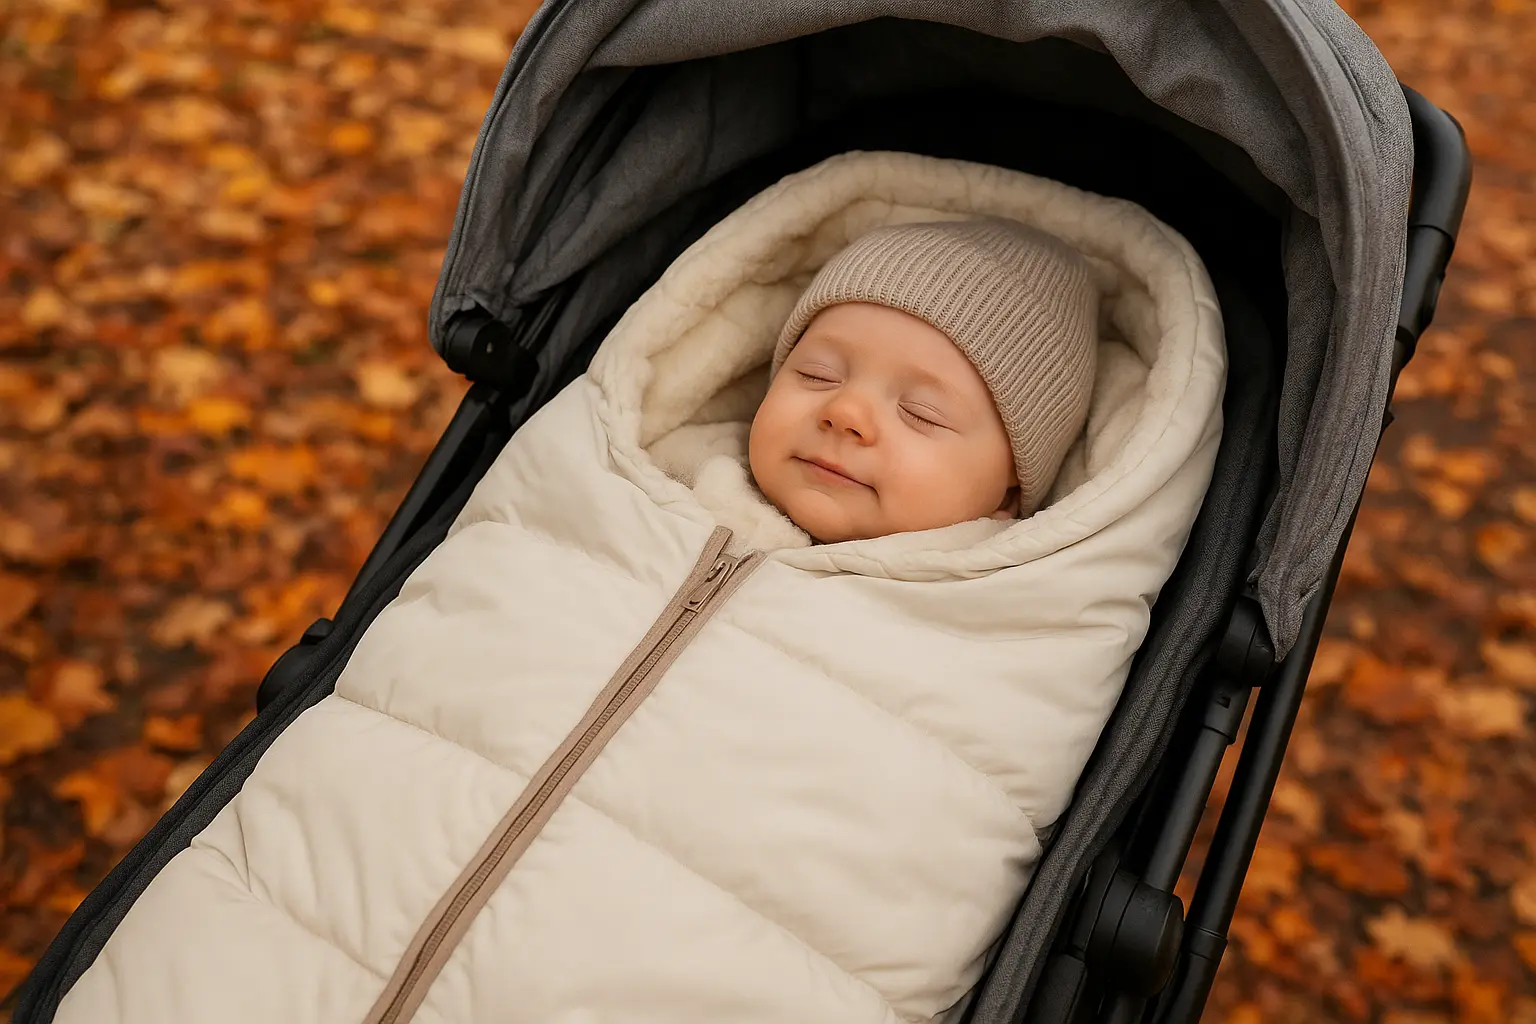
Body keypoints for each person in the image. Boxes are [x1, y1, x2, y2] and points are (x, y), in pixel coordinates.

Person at [747, 217, 1099, 544]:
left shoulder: (1015, 604)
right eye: (817, 375)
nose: (844, 413)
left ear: (1008, 492)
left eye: (920, 412)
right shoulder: (694, 490)